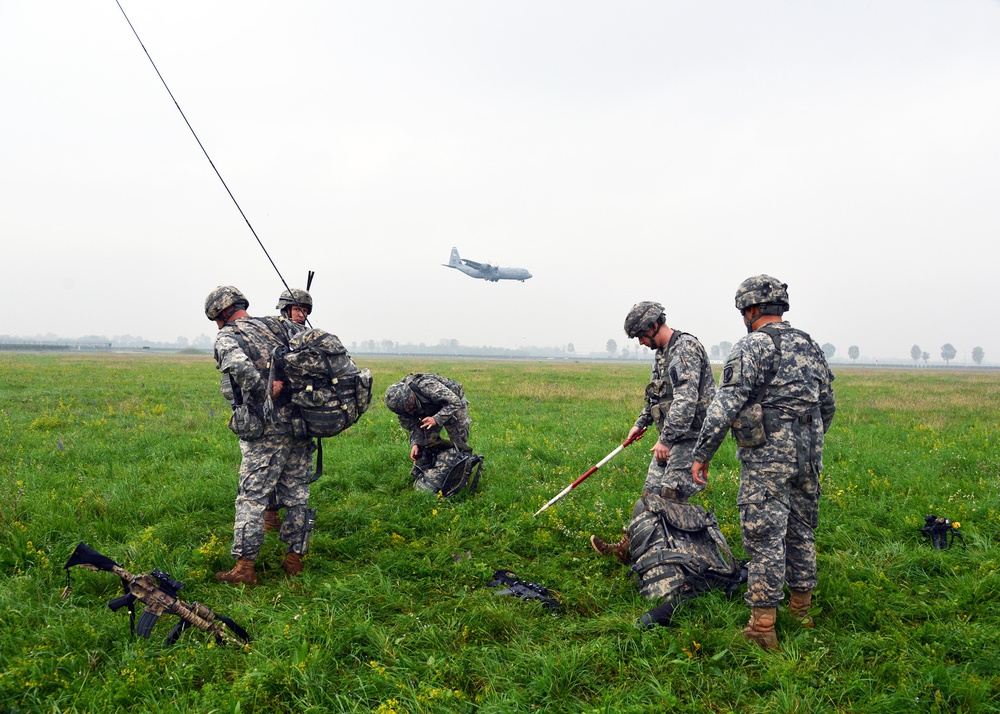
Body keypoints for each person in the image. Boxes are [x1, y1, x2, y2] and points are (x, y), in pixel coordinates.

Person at [691, 275, 835, 649]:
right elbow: (828, 405)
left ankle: (762, 626)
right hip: (809, 454)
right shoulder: (810, 345)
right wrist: (810, 439)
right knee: (801, 529)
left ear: (751, 309)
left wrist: (702, 453)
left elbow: (725, 405)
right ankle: (802, 610)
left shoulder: (752, 346)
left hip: (768, 458)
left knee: (765, 538)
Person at [205, 285, 317, 584]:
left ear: (221, 314)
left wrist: (263, 388)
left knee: (252, 497)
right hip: (299, 422)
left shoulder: (227, 336)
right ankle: (294, 560)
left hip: (265, 429)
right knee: (297, 493)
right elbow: (312, 349)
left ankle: (244, 569)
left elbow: (237, 364)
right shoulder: (276, 325)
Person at [590, 301, 716, 562]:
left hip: (690, 437)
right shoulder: (661, 354)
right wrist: (641, 422)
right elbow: (656, 398)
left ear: (654, 325)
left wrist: (666, 440)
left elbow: (686, 401)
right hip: (669, 437)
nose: (640, 343)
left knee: (671, 497)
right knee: (650, 494)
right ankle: (631, 547)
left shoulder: (684, 350)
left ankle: (681, 559)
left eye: (640, 336)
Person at [263, 287, 314, 533]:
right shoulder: (271, 335)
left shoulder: (313, 338)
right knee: (271, 467)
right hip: (276, 414)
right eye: (296, 309)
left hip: (301, 413)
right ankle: (271, 515)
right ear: (286, 309)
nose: (300, 314)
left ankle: (293, 530)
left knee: (296, 472)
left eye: (304, 310)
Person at [384, 374, 472, 492]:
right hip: (429, 409)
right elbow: (413, 427)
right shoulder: (401, 406)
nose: (410, 411)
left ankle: (461, 479)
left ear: (412, 396)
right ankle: (425, 479)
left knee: (459, 444)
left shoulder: (426, 386)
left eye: (411, 406)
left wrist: (437, 419)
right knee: (425, 444)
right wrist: (415, 444)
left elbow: (454, 402)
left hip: (452, 404)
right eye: (407, 410)